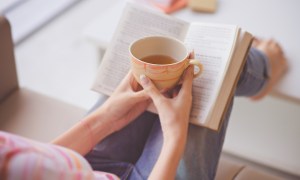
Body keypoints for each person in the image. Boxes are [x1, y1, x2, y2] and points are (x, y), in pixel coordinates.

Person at [0, 39, 287, 180]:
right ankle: (263, 71)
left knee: (184, 54)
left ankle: (257, 66)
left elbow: (38, 164)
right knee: (209, 72)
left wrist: (104, 119)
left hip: (89, 167)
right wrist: (174, 137)